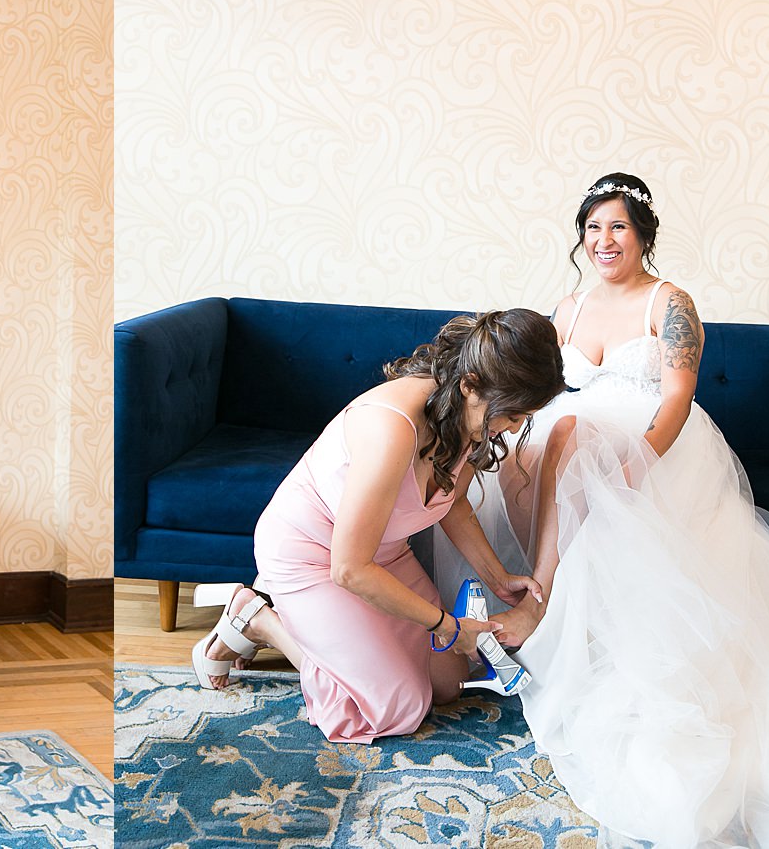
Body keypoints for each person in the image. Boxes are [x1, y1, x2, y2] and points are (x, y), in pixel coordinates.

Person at [444, 174, 769, 847]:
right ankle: (509, 610)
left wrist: (638, 460)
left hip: (655, 443)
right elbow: (540, 389)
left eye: (618, 227)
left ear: (642, 235)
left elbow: (675, 396)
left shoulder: (670, 303)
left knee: (570, 438)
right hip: (569, 446)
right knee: (541, 442)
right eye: (592, 228)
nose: (604, 240)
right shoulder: (568, 307)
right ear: (580, 238)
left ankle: (540, 603)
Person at [192, 309, 566, 744]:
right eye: (511, 415)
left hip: (383, 555)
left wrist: (499, 579)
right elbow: (348, 569)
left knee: (448, 685)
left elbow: (453, 502)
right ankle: (258, 620)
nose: (513, 428)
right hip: (315, 555)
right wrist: (446, 624)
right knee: (398, 708)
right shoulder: (391, 428)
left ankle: (307, 633)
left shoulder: (468, 417)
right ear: (470, 385)